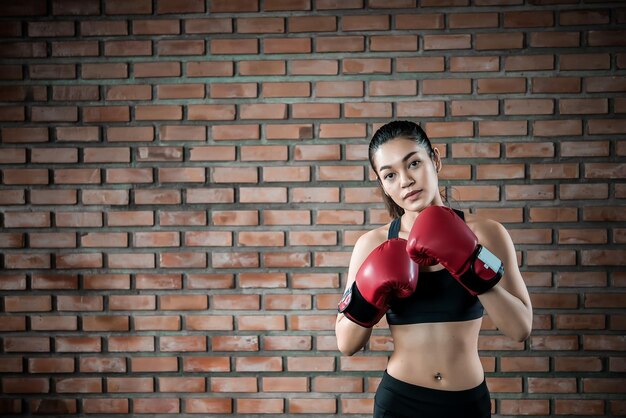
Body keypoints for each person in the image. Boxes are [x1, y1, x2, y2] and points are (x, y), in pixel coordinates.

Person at [335, 120, 533, 418]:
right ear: (383, 184)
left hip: (466, 403)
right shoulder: (372, 244)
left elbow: (520, 329)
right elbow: (347, 344)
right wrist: (369, 292)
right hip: (399, 400)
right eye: (390, 174)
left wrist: (469, 262)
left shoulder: (486, 234)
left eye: (413, 163)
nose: (405, 181)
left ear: (435, 159)